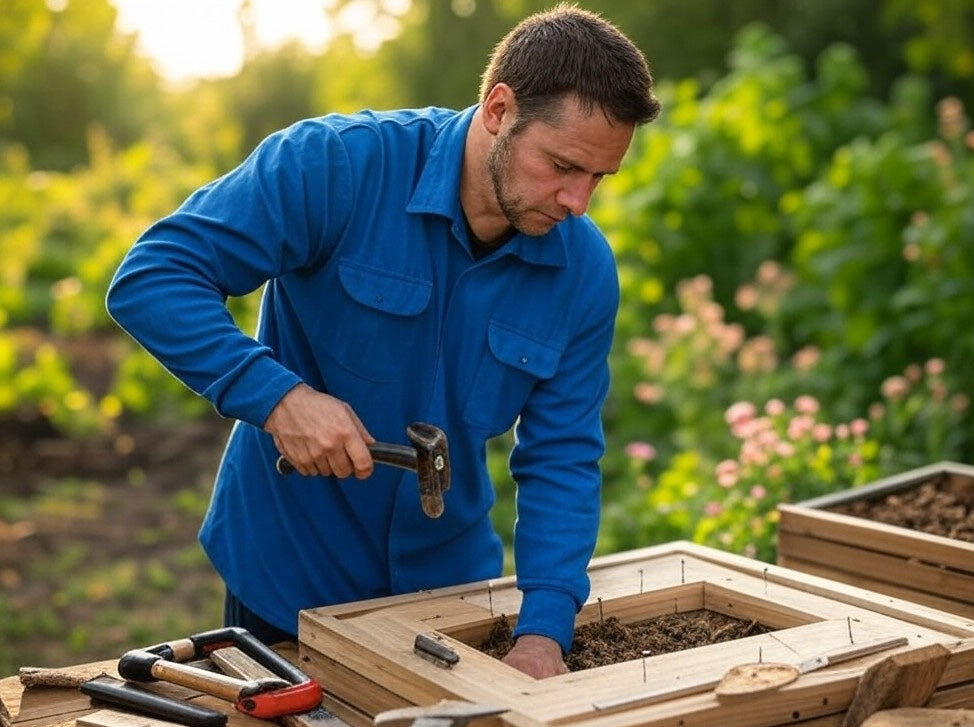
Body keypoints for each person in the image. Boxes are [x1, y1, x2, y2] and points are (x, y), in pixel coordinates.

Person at [106, 3, 659, 679]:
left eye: (599, 178)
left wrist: (545, 627)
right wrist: (278, 399)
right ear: (499, 110)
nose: (579, 202)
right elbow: (154, 276)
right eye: (564, 166)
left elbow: (563, 455)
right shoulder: (337, 167)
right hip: (291, 572)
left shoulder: (582, 270)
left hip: (446, 592)